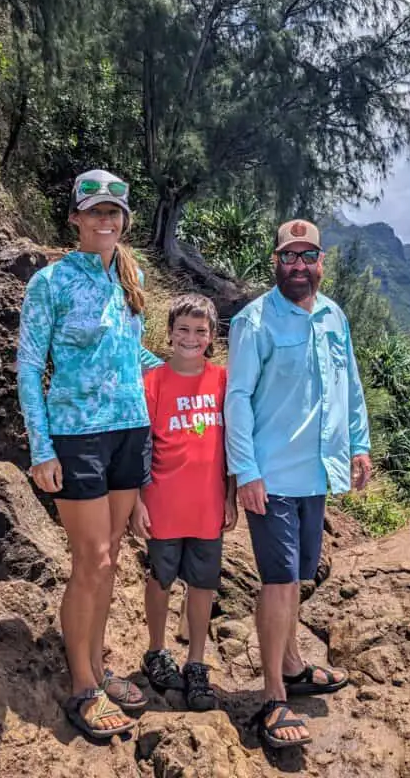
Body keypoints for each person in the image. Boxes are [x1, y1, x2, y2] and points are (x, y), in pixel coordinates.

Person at [17, 169, 161, 739]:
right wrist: (41, 448)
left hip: (131, 430)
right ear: (76, 217)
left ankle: (99, 665)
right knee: (92, 560)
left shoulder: (133, 278)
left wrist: (199, 376)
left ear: (124, 220)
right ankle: (82, 684)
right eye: (96, 210)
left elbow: (133, 358)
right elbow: (29, 366)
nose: (107, 219)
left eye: (116, 212)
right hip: (77, 436)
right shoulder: (49, 283)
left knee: (114, 558)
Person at [224, 218, 371, 751]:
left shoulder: (334, 315)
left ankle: (292, 662)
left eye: (308, 257)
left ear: (321, 263)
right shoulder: (254, 321)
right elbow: (236, 398)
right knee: (280, 580)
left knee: (299, 574)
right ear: (276, 262)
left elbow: (348, 384)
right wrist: (247, 471)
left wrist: (359, 443)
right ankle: (273, 695)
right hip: (273, 475)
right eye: (290, 257)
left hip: (317, 473)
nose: (300, 267)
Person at [130, 294, 237, 711]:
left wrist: (230, 495)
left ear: (211, 337)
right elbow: (141, 446)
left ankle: (196, 662)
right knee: (160, 578)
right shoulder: (153, 382)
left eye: (200, 331)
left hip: (208, 505)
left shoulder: (224, 381)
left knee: (204, 584)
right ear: (170, 333)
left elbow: (232, 444)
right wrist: (139, 501)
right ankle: (156, 650)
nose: (191, 338)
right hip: (163, 503)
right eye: (183, 330)